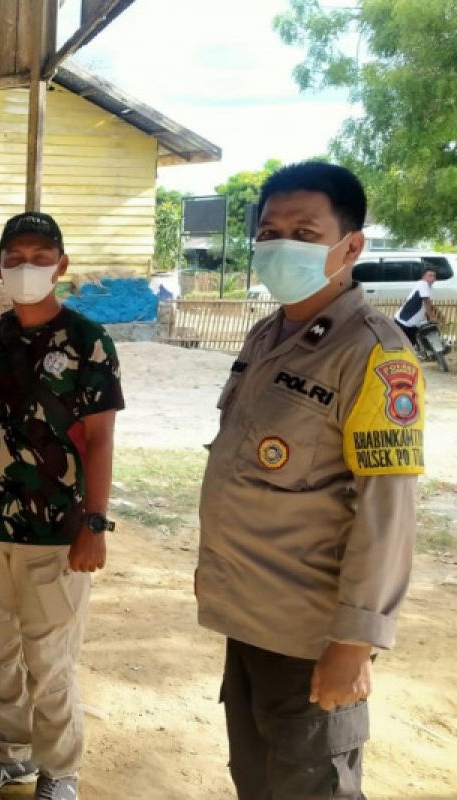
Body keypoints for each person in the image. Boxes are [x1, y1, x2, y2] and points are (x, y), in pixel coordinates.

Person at [198, 163, 422, 799]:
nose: (280, 245)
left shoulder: (375, 354)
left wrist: (354, 642)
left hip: (310, 635)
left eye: (304, 230)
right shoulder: (270, 334)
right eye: (270, 231)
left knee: (310, 786)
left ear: (350, 246)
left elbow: (387, 512)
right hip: (250, 619)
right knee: (259, 781)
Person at [0, 212, 123, 800]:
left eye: (41, 255)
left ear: (62, 265)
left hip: (58, 532)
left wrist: (94, 525)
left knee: (49, 664)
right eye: (15, 256)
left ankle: (60, 770)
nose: (28, 267)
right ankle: (10, 755)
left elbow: (100, 439)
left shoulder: (88, 342)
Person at [394, 265, 440, 347]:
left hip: (412, 323)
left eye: (434, 276)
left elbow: (424, 305)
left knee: (412, 345)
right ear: (423, 276)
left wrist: (428, 318)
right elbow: (426, 301)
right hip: (404, 322)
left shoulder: (428, 287)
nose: (432, 278)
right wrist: (432, 317)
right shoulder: (423, 284)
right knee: (406, 346)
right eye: (430, 275)